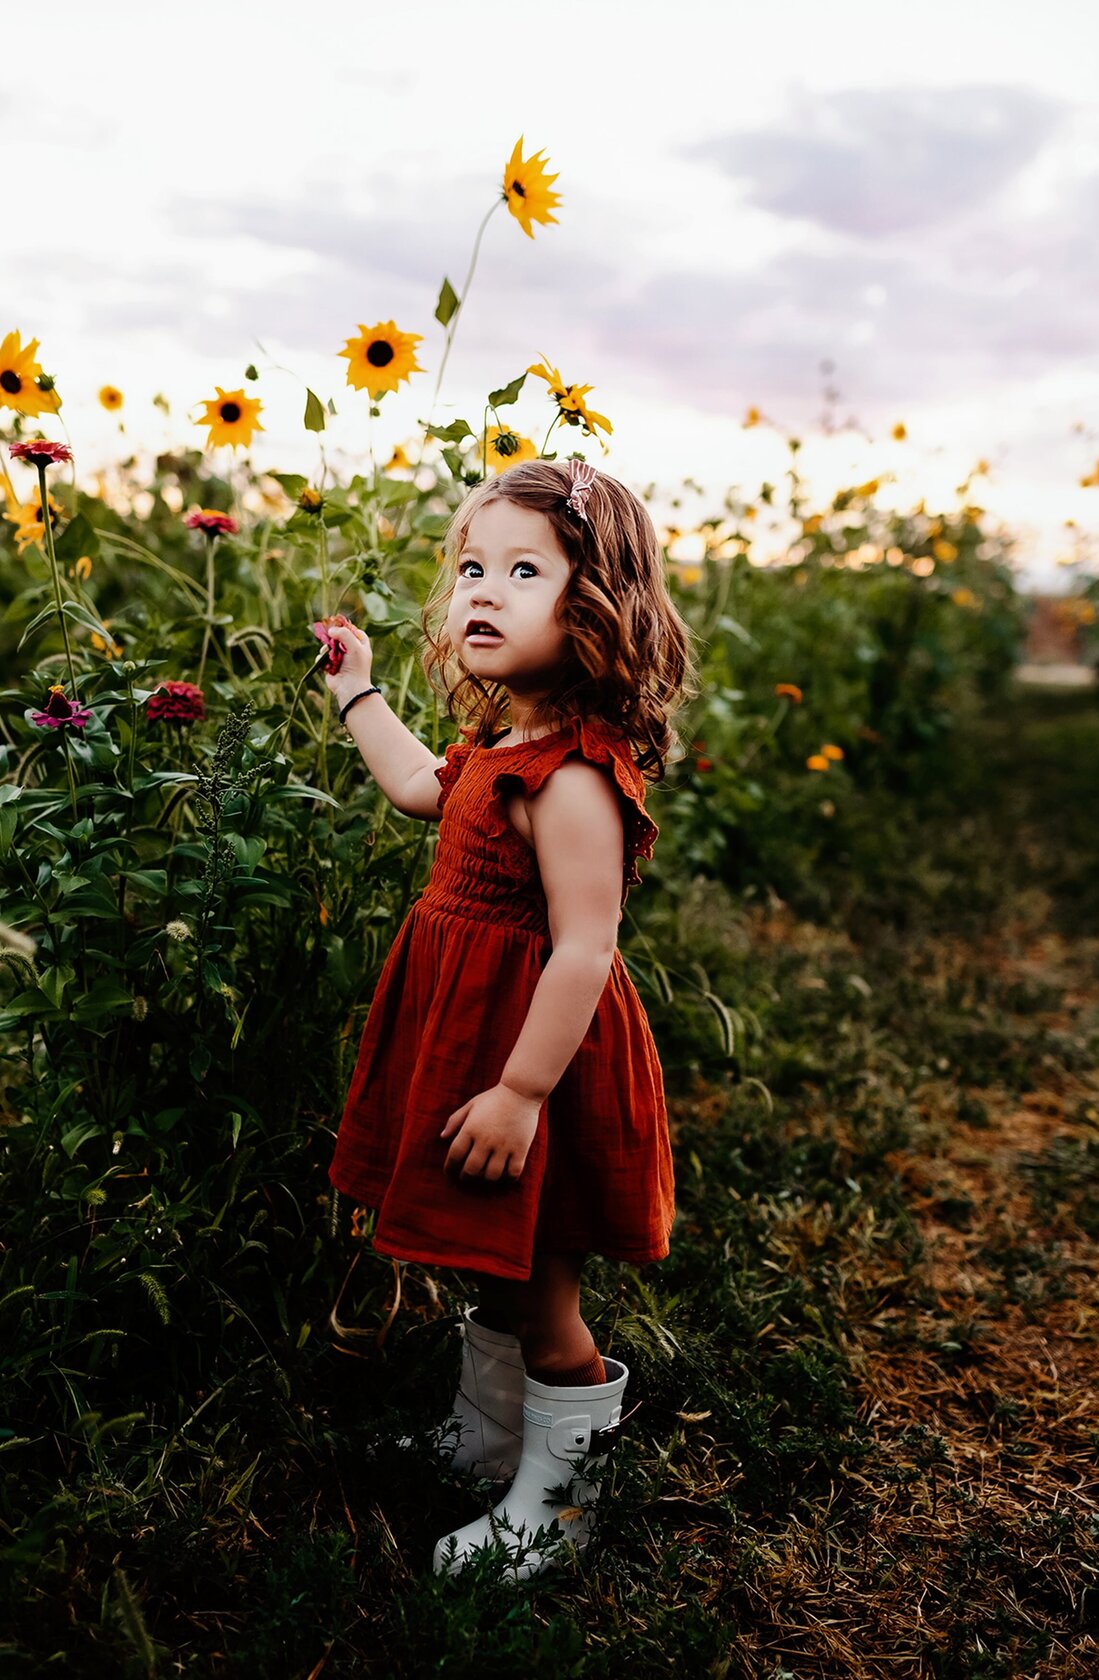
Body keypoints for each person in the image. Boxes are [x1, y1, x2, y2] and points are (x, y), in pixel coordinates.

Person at [322, 456, 695, 1581]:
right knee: (498, 1262)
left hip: (540, 1060)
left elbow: (587, 947)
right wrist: (357, 689)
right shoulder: (501, 746)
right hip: (482, 1042)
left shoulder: (573, 776)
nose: (482, 590)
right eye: (472, 568)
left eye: (524, 569)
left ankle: (560, 1500)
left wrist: (524, 1091)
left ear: (595, 604)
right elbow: (415, 788)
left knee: (543, 1292)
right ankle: (487, 1444)